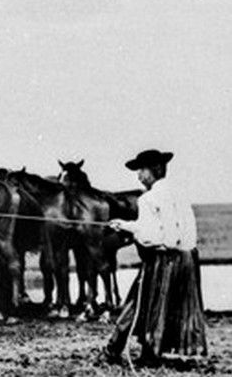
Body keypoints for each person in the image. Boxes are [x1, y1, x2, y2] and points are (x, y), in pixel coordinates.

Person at [101, 149, 207, 366]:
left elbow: (154, 236)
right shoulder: (178, 193)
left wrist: (131, 231)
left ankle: (114, 350)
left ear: (155, 170)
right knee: (169, 306)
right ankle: (150, 352)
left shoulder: (148, 199)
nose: (139, 176)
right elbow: (169, 228)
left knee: (137, 302)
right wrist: (127, 224)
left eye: (142, 170)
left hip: (163, 259)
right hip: (187, 259)